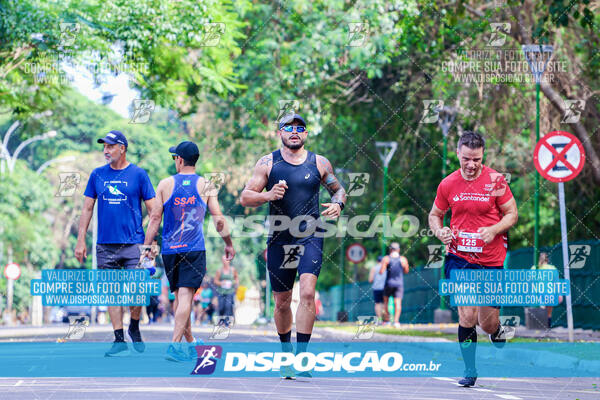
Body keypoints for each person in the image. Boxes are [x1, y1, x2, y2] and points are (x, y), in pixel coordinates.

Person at [240, 113, 346, 379]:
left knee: (308, 293)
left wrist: (338, 204)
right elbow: (245, 197)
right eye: (289, 128)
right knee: (282, 301)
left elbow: (339, 189)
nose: (295, 132)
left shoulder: (319, 163)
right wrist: (268, 195)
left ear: (306, 134)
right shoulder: (267, 163)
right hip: (279, 237)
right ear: (280, 133)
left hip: (311, 234)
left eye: (300, 128)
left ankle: (302, 355)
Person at [428, 131, 518, 387]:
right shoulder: (448, 183)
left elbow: (512, 213)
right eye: (466, 158)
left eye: (476, 159)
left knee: (486, 323)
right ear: (457, 154)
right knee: (466, 315)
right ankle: (470, 369)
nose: (471, 164)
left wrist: (494, 230)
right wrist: (440, 231)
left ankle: (496, 330)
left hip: (491, 260)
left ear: (483, 156)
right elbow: (435, 215)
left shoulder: (496, 180)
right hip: (460, 258)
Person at [143, 141, 235, 362]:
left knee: (179, 298)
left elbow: (155, 218)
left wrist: (148, 247)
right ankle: (175, 346)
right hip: (194, 249)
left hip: (170, 250)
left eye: (174, 158)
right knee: (184, 298)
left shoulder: (165, 184)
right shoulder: (206, 185)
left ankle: (191, 342)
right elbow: (219, 220)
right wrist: (228, 243)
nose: (174, 161)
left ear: (180, 160)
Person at [75, 130, 156, 357]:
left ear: (122, 148)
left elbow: (153, 210)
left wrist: (150, 242)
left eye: (110, 146)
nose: (106, 150)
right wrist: (81, 240)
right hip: (105, 244)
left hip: (134, 244)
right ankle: (119, 338)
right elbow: (87, 208)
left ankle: (135, 326)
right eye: (104, 146)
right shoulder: (97, 175)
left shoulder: (139, 175)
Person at [379, 244, 409, 327]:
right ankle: (396, 322)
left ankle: (387, 321)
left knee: (386, 303)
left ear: (390, 250)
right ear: (398, 250)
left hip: (388, 283)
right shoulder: (403, 259)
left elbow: (381, 271)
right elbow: (406, 271)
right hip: (399, 284)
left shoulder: (386, 259)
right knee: (398, 303)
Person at [531, 252, 563, 328]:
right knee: (549, 313)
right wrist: (559, 294)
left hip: (540, 292)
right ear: (547, 259)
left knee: (542, 308)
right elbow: (557, 282)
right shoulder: (552, 268)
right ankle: (547, 328)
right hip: (550, 292)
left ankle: (541, 326)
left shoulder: (535, 268)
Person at [215, 255, 239, 320]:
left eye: (226, 260)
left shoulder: (233, 269)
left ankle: (227, 322)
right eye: (223, 260)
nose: (225, 261)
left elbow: (236, 278)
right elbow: (215, 281)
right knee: (221, 307)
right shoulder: (219, 270)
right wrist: (222, 283)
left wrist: (235, 284)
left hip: (230, 291)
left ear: (228, 261)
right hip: (221, 291)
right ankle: (221, 320)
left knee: (228, 306)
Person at [368, 256, 387, 323]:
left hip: (376, 288)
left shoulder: (374, 268)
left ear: (377, 261)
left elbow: (370, 280)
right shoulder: (386, 268)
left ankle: (379, 319)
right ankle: (386, 319)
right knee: (385, 303)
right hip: (385, 288)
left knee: (377, 304)